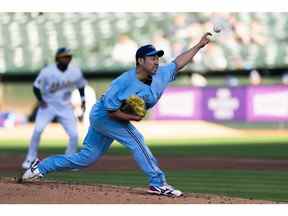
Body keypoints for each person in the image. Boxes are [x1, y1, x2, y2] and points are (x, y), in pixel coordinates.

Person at [21, 33, 211, 197]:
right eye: (152, 58)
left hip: (110, 115)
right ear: (140, 61)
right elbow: (112, 112)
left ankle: (39, 168)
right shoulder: (123, 82)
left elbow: (178, 63)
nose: (156, 61)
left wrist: (199, 45)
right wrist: (133, 118)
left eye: (157, 58)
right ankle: (158, 183)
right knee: (136, 140)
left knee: (85, 158)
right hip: (104, 115)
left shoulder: (161, 74)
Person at [21, 47, 87, 169]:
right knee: (38, 130)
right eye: (64, 57)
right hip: (48, 106)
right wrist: (41, 100)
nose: (67, 59)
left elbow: (81, 85)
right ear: (57, 58)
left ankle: (70, 160)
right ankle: (30, 158)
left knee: (73, 134)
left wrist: (83, 100)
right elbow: (36, 86)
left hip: (65, 106)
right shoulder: (47, 71)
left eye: (69, 57)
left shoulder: (75, 71)